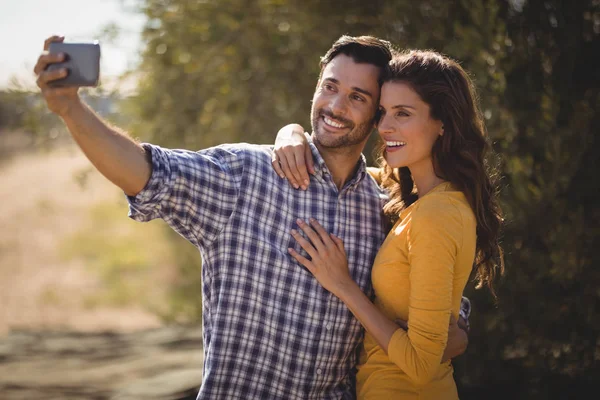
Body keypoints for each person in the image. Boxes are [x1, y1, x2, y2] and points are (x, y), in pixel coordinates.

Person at [34, 34, 469, 399]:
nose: (336, 106)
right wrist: (70, 109)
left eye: (357, 97)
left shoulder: (384, 206)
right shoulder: (247, 174)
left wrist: (439, 336)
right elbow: (146, 171)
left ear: (376, 116)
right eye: (330, 87)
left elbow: (441, 317)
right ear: (316, 87)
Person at [272, 49, 504, 399]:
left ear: (442, 123)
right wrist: (291, 133)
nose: (384, 126)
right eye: (382, 112)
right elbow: (345, 171)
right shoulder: (413, 197)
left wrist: (344, 286)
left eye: (403, 114)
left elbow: (422, 365)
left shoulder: (436, 214)